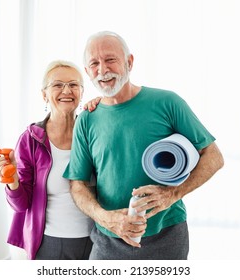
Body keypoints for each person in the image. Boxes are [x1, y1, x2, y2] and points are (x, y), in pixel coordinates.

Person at [63, 31, 224, 260]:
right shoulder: (87, 119)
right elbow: (77, 185)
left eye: (110, 60)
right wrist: (106, 218)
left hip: (166, 237)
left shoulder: (167, 103)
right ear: (88, 72)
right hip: (108, 240)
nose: (103, 69)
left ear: (129, 62)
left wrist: (172, 194)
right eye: (94, 64)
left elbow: (214, 156)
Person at [0, 60, 100, 260]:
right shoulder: (30, 139)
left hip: (96, 240)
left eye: (73, 85)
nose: (66, 90)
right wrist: (12, 180)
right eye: (57, 85)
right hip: (49, 242)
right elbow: (21, 205)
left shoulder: (95, 132)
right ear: (44, 95)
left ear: (82, 93)